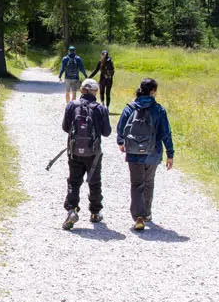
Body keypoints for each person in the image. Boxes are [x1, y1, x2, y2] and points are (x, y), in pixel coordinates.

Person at [117, 78, 174, 232]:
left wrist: (121, 142)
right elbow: (166, 133)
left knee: (136, 184)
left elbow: (121, 128)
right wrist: (170, 153)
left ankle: (138, 217)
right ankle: (147, 213)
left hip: (134, 152)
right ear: (153, 91)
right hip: (153, 153)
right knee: (148, 182)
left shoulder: (130, 107)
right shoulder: (159, 110)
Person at [60, 77, 112, 229]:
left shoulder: (72, 105)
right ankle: (95, 213)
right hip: (93, 153)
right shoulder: (100, 108)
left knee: (74, 181)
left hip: (74, 151)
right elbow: (107, 132)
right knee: (94, 181)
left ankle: (72, 210)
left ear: (81, 90)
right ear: (95, 92)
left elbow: (65, 127)